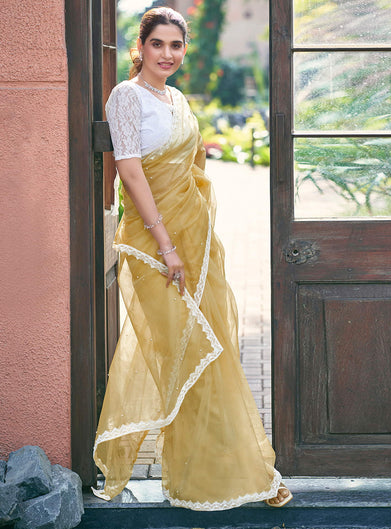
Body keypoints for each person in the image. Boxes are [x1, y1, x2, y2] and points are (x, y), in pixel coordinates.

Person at [92, 7, 292, 510]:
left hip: (194, 243)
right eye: (158, 44)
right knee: (183, 355)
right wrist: (166, 245)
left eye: (176, 46)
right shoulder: (126, 97)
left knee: (212, 353)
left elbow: (194, 163)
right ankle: (212, 473)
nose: (167, 55)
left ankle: (225, 473)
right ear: (140, 47)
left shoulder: (176, 98)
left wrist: (192, 234)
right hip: (153, 247)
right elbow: (132, 172)